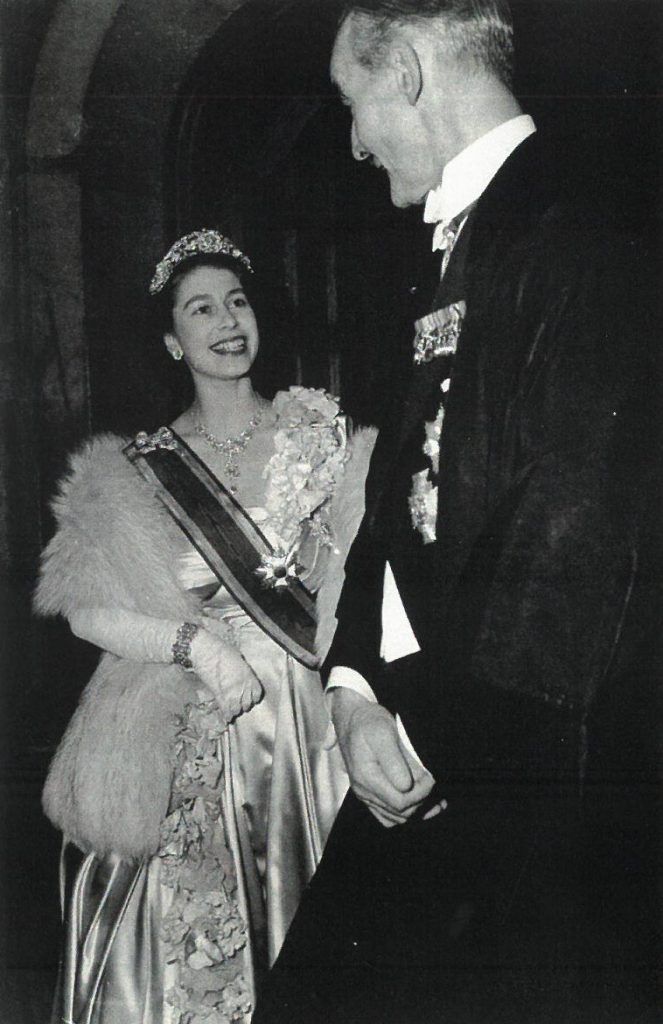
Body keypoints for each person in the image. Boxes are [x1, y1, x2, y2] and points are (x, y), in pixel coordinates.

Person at [254, 3, 660, 1023]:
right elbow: (397, 497)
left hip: (537, 775)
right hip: (427, 736)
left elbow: (576, 523)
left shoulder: (591, 217)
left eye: (354, 102)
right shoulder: (439, 246)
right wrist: (349, 682)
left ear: (409, 72)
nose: (352, 140)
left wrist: (427, 728)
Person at [34, 229, 375, 1024]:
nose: (227, 322)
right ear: (171, 340)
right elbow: (83, 608)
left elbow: (364, 575)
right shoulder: (138, 466)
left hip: (316, 727)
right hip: (192, 721)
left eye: (237, 301)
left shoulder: (324, 436)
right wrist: (196, 646)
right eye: (201, 309)